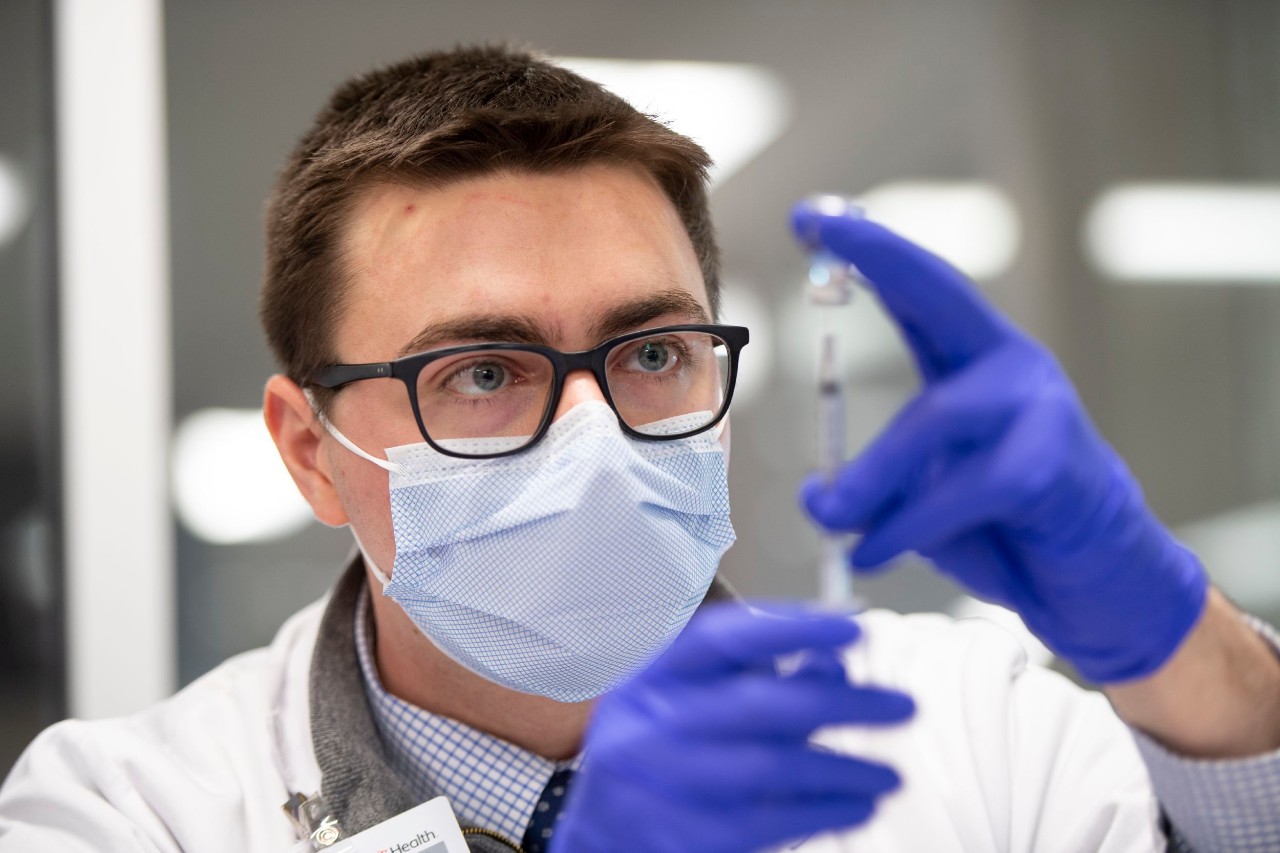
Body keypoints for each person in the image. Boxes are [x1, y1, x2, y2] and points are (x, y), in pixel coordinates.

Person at [2, 43, 1279, 853]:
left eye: (650, 352)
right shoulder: (125, 814)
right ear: (311, 450)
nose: (595, 437)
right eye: (485, 372)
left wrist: (1199, 668)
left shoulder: (979, 741)